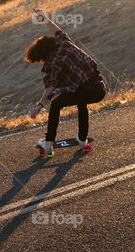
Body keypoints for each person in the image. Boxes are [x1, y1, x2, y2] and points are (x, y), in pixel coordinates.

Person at [24, 8, 106, 157]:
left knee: (56, 104)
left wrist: (40, 105)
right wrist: (45, 19)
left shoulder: (53, 63)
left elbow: (51, 87)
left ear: (42, 55)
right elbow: (58, 30)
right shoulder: (64, 42)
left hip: (85, 89)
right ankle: (82, 139)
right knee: (81, 101)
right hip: (99, 89)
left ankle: (48, 143)